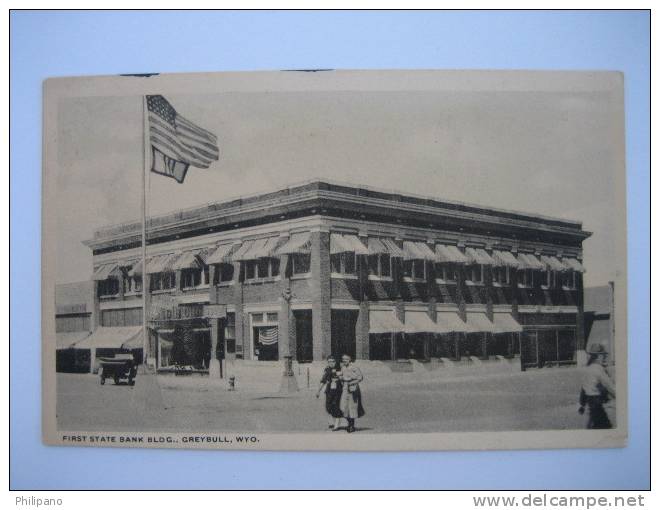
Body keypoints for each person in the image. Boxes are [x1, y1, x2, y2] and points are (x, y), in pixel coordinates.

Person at [579, 343, 616, 429]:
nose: (604, 357)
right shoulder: (598, 369)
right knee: (605, 426)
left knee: (593, 425)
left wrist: (582, 404)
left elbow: (583, 388)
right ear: (598, 356)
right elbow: (609, 385)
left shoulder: (588, 369)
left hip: (590, 403)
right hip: (597, 403)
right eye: (603, 355)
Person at [316, 356, 343, 431]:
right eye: (329, 361)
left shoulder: (340, 369)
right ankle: (331, 422)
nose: (331, 363)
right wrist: (318, 391)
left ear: (336, 361)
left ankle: (336, 425)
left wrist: (339, 376)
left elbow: (344, 379)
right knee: (328, 406)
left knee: (336, 406)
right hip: (329, 391)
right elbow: (323, 381)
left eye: (333, 361)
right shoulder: (327, 370)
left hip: (338, 390)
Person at [339, 354, 365, 433]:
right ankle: (349, 423)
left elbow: (360, 377)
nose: (344, 360)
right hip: (345, 388)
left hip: (353, 388)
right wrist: (341, 378)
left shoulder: (354, 367)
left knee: (352, 407)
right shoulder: (343, 367)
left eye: (346, 359)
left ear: (350, 359)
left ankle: (351, 426)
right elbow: (342, 376)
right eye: (343, 359)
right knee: (344, 407)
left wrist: (352, 382)